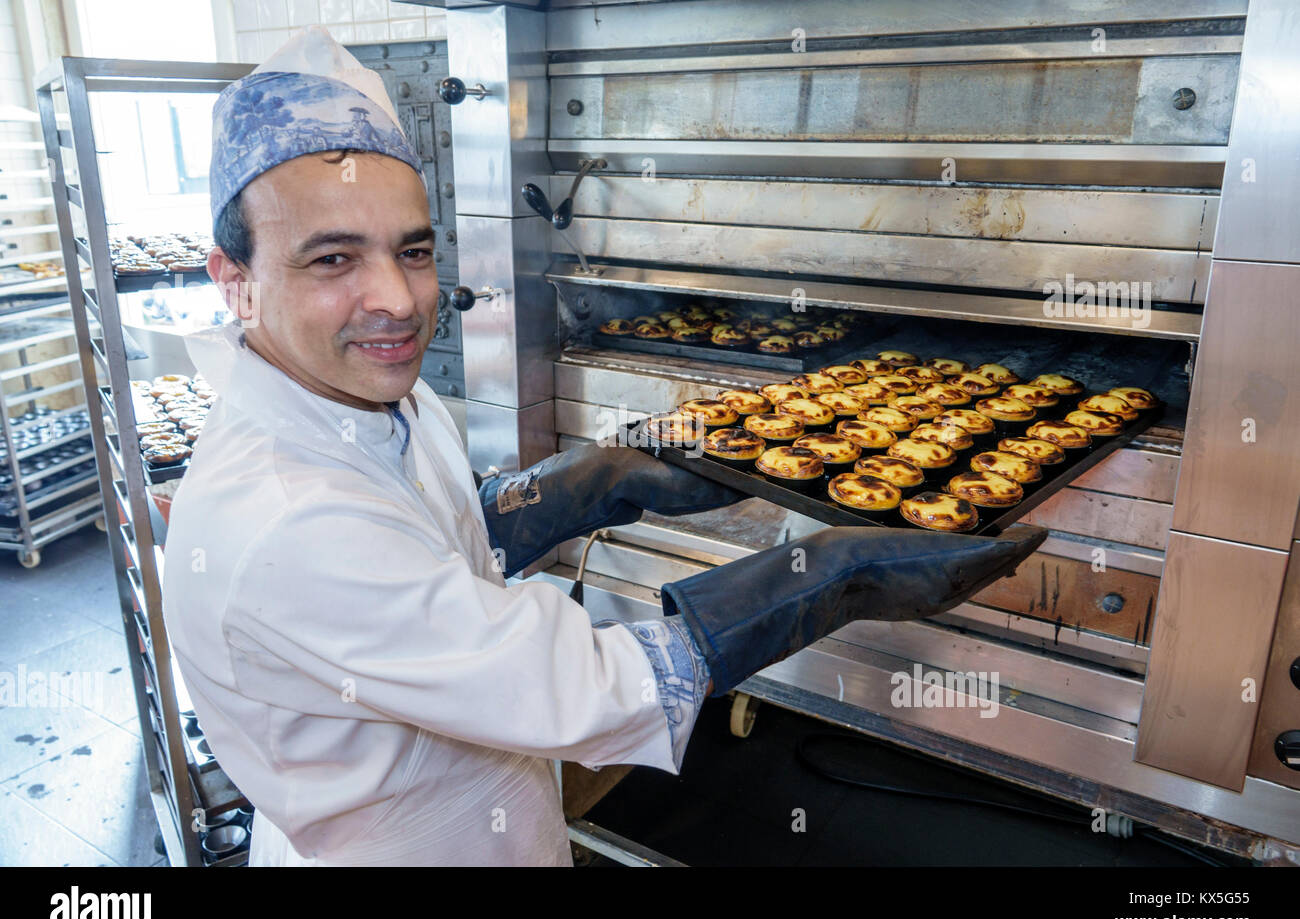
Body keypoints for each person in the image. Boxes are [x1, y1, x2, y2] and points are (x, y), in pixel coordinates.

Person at [162, 27, 1043, 867]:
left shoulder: (361, 393)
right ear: (234, 281)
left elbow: (437, 541)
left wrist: (599, 478)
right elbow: (584, 684)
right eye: (332, 260)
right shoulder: (283, 519)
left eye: (414, 250)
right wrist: (826, 577)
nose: (396, 299)